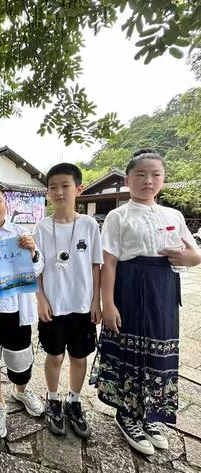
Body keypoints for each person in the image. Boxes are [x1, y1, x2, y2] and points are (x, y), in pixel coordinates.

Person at [96, 149, 201, 455]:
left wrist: (188, 257)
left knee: (159, 348)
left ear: (163, 180)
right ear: (128, 179)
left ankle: (151, 413)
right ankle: (126, 413)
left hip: (163, 291)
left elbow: (195, 253)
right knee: (129, 348)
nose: (148, 180)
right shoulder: (118, 216)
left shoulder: (174, 216)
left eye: (155, 174)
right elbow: (109, 262)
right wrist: (108, 304)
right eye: (140, 174)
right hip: (128, 287)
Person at [34, 163, 102, 438]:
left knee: (78, 355)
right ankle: (53, 399)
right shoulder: (41, 227)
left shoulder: (89, 225)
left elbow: (97, 265)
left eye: (65, 186)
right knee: (54, 354)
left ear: (78, 189)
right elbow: (34, 267)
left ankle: (74, 400)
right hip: (53, 303)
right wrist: (40, 298)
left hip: (82, 304)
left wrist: (96, 301)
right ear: (48, 193)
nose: (59, 192)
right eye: (53, 187)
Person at [0, 179, 43, 439]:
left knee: (20, 355)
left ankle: (21, 391)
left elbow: (37, 269)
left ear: (6, 203)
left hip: (17, 308)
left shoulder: (21, 234)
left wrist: (33, 253)